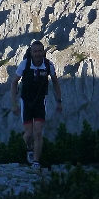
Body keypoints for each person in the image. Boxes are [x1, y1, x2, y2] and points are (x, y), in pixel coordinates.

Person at [10, 40, 62, 168]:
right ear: (31, 53)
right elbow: (14, 83)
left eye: (40, 51)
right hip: (26, 101)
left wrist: (59, 101)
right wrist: (14, 103)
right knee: (28, 134)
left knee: (38, 132)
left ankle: (36, 162)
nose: (38, 54)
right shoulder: (24, 64)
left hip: (40, 101)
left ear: (43, 52)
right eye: (35, 51)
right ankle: (29, 149)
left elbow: (55, 82)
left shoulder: (48, 65)